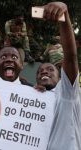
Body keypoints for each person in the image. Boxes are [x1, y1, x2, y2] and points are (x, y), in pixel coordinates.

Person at [34, 2, 81, 150]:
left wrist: (64, 14)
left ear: (61, 77)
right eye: (40, 71)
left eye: (50, 69)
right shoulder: (35, 98)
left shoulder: (67, 92)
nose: (44, 72)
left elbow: (71, 56)